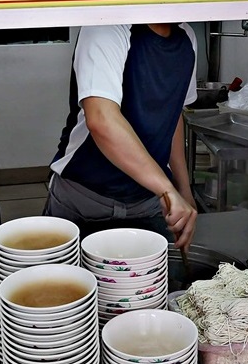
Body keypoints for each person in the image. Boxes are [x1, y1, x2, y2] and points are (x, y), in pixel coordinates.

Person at [43, 22, 199, 250]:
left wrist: (183, 189)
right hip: (86, 199)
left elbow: (173, 115)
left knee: (152, 283)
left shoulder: (187, 36)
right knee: (69, 282)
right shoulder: (106, 27)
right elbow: (101, 119)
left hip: (148, 202)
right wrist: (166, 189)